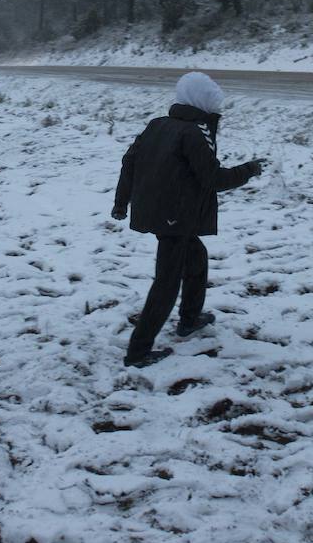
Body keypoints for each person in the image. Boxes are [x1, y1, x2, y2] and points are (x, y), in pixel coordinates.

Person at [112, 72, 264, 368]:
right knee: (166, 283)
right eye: (211, 96)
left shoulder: (157, 125)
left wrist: (121, 202)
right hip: (175, 217)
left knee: (196, 259)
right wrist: (249, 169)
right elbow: (213, 179)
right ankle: (138, 351)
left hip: (159, 211)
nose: (216, 101)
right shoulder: (194, 132)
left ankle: (190, 319)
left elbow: (129, 162)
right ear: (200, 99)